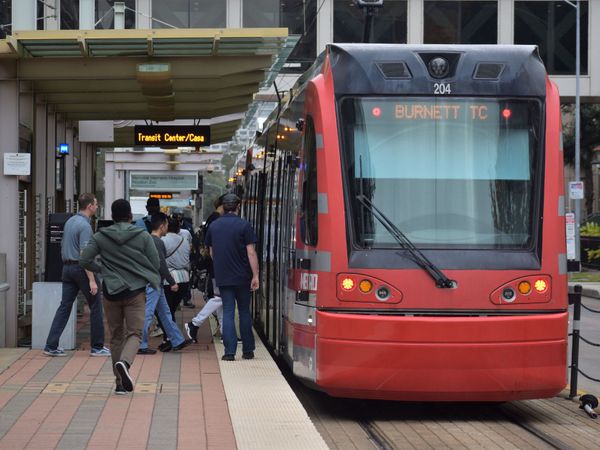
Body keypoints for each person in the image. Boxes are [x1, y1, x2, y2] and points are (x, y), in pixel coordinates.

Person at [80, 199, 160, 394]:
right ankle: (125, 363)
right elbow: (155, 262)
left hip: (111, 292)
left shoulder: (100, 236)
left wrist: (102, 270)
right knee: (134, 333)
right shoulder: (143, 236)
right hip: (135, 292)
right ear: (131, 215)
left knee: (116, 337)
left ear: (112, 216)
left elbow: (84, 260)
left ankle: (119, 384)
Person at [44, 193, 110, 357]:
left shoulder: (70, 222)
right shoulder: (85, 226)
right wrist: (92, 280)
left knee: (65, 306)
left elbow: (62, 246)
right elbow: (85, 254)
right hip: (81, 269)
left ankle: (51, 345)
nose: (97, 206)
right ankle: (97, 346)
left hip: (67, 268)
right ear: (89, 206)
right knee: (95, 306)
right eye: (95, 204)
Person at [205, 193, 259, 361]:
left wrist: (222, 267)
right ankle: (248, 350)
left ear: (223, 206)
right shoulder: (244, 225)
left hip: (224, 276)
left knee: (228, 311)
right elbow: (251, 252)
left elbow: (212, 252)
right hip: (243, 276)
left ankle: (229, 352)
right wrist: (255, 275)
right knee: (243, 311)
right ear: (238, 207)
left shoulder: (214, 226)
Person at [138, 212, 190, 354]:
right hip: (154, 282)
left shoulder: (147, 239)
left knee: (165, 313)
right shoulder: (158, 242)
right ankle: (141, 345)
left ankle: (177, 340)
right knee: (148, 314)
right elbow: (161, 264)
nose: (167, 227)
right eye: (166, 225)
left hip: (153, 282)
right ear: (161, 226)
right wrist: (172, 281)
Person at [185, 195, 225, 343]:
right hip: (218, 265)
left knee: (221, 300)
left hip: (213, 264)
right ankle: (194, 323)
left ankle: (224, 332)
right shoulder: (217, 220)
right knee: (219, 298)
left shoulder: (211, 219)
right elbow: (213, 246)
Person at [163, 217, 191, 316]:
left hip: (168, 280)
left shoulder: (162, 240)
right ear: (178, 228)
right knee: (172, 310)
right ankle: (172, 330)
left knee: (167, 312)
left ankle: (171, 331)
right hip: (184, 279)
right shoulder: (185, 241)